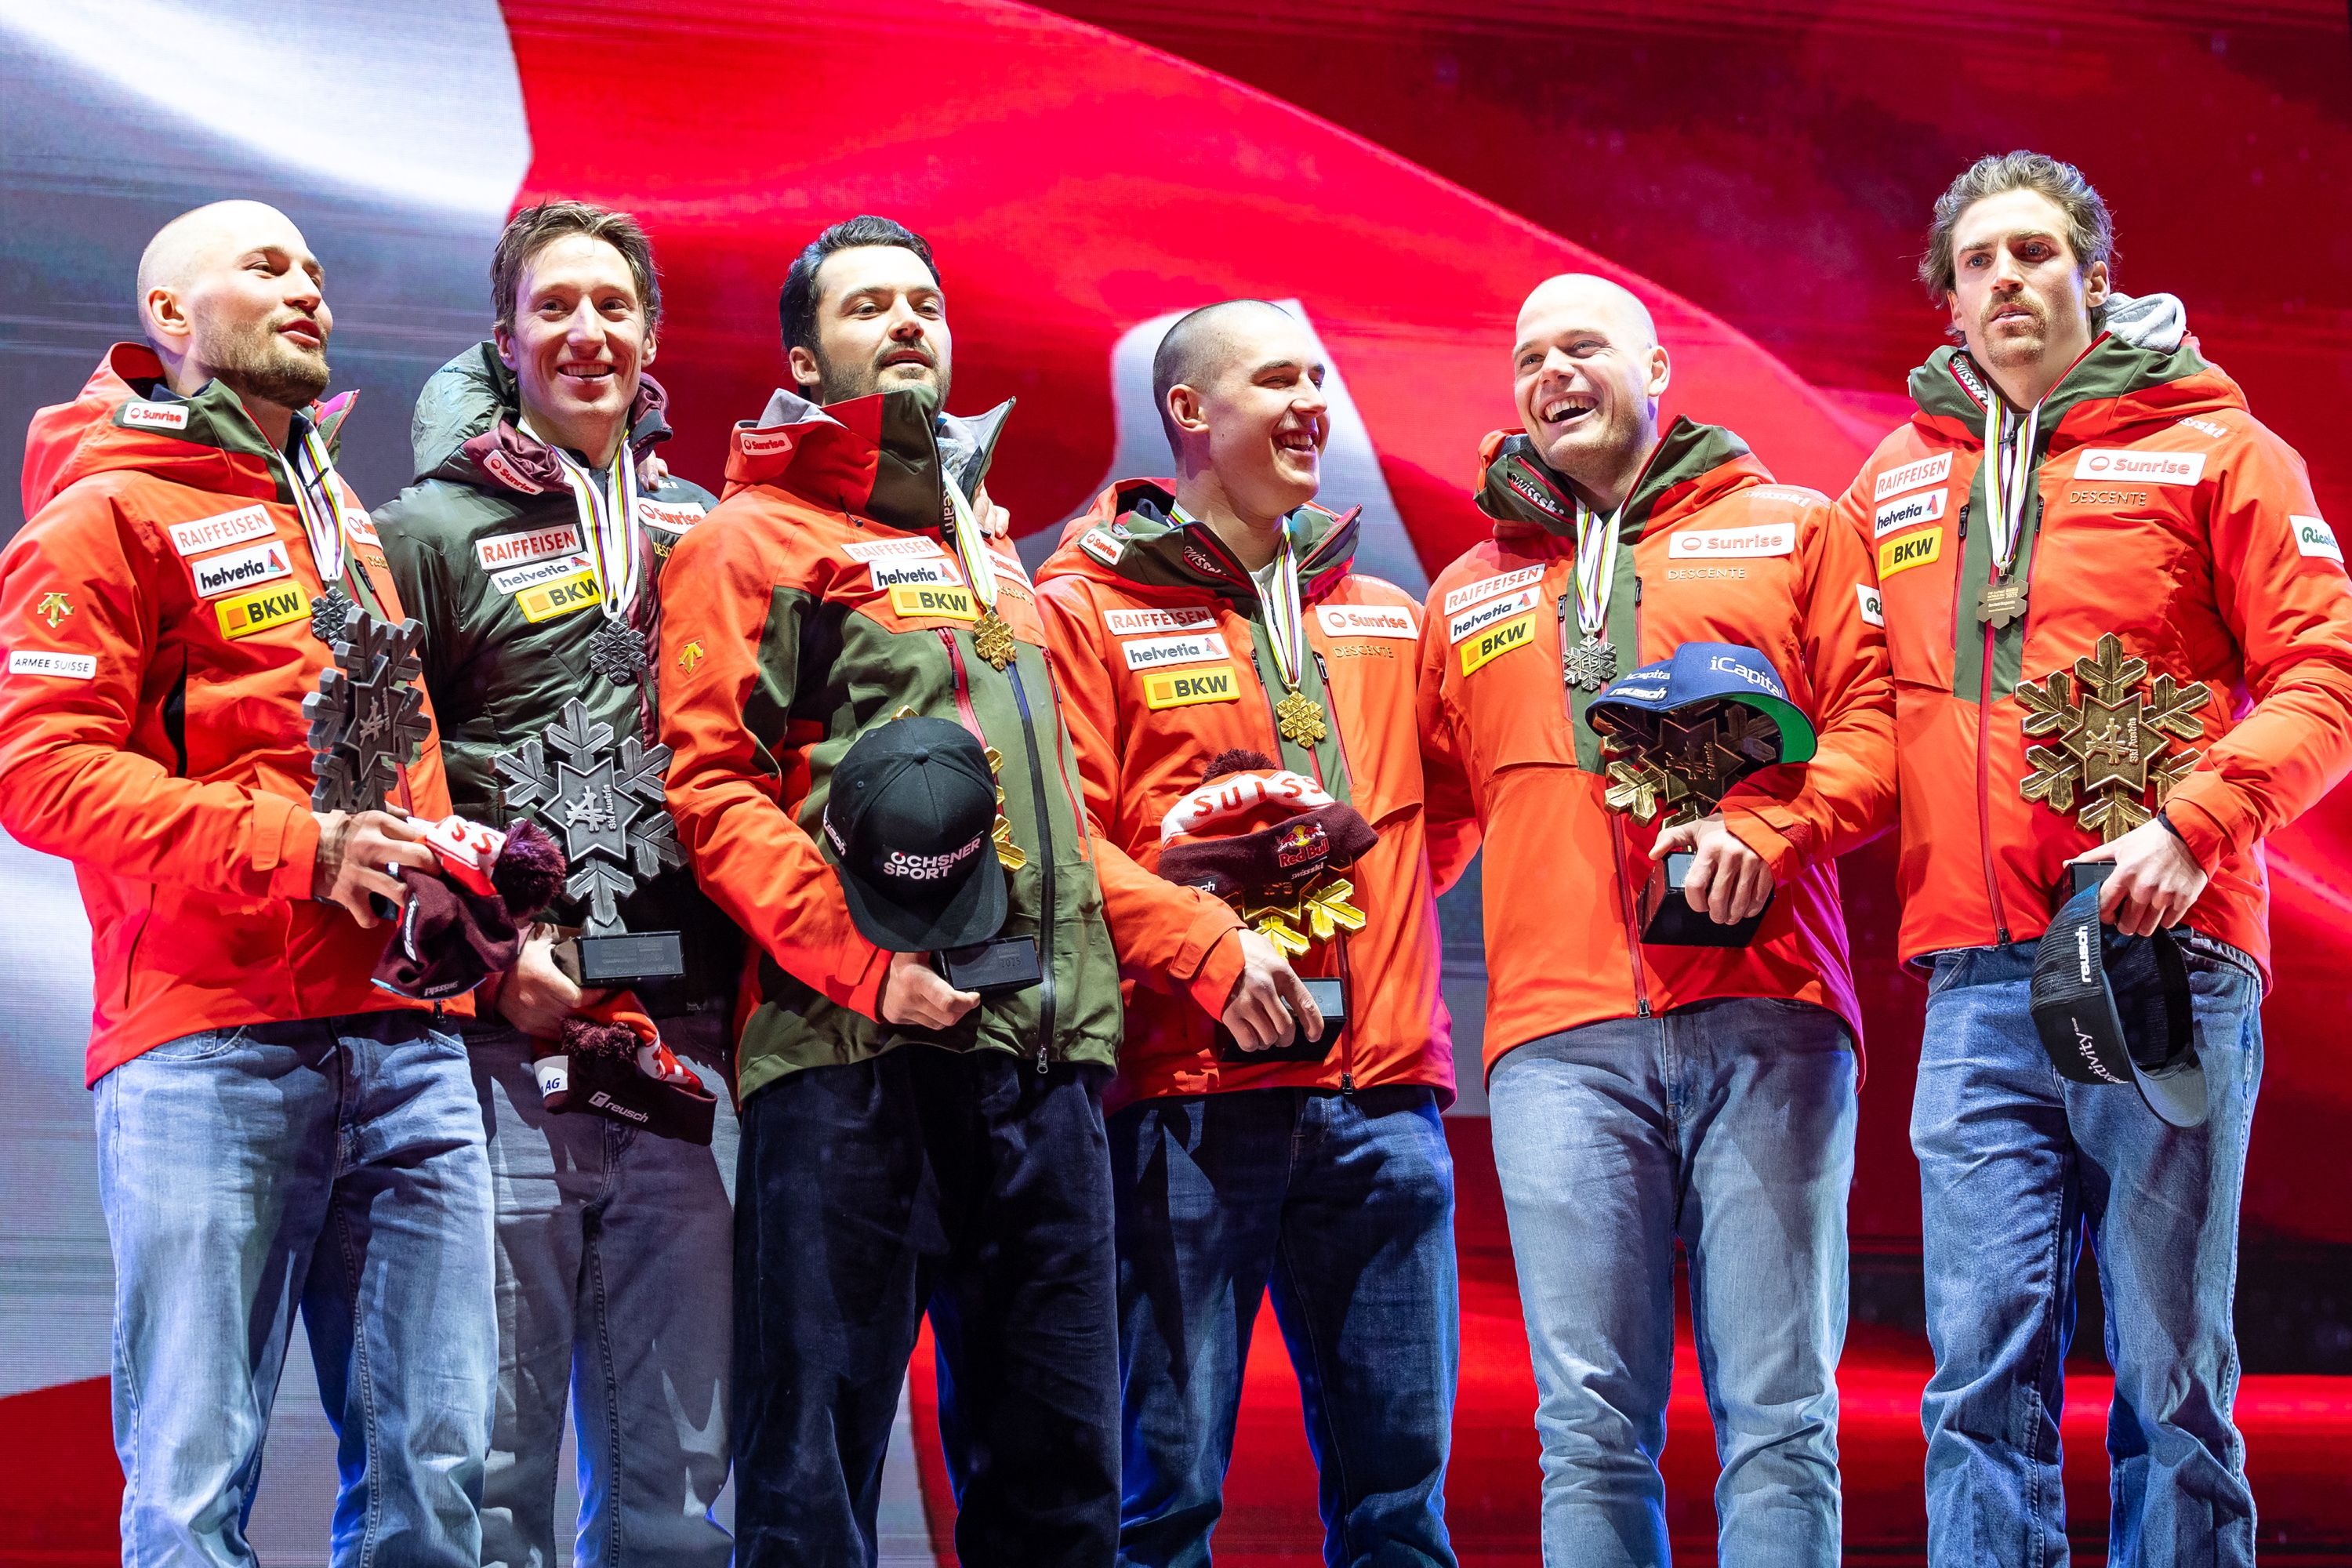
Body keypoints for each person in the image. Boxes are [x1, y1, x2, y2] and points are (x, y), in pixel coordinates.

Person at [1839, 151, 2352, 1568]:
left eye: (2040, 253)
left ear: (2093, 279)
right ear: (1947, 300)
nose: (2011, 277)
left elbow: (2328, 672)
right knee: (1975, 1377)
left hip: (2160, 961)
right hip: (1971, 982)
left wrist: (2199, 824)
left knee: (2173, 1374)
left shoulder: (2216, 450)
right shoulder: (1891, 479)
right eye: (1982, 260)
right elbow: (1859, 716)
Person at [0, 201, 493, 1563]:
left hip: (411, 1041)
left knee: (437, 1481)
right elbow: (39, 776)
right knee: (192, 1478)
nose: (308, 291)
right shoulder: (103, 514)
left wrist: (483, 925)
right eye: (266, 268)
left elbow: (394, 762)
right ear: (171, 317)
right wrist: (303, 852)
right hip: (209, 1045)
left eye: (319, 272)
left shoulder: (338, 514)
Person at [656, 215, 1126, 1566]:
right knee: (811, 1485)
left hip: (1040, 1065)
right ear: (807, 358)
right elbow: (715, 793)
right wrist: (868, 967)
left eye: (924, 301)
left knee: (1061, 1493)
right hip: (850, 1056)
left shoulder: (997, 550)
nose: (910, 322)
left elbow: (1069, 827)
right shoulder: (752, 538)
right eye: (872, 308)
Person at [1416, 274, 1893, 1567]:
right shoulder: (1464, 591)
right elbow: (1427, 816)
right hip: (1555, 1039)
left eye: (1582, 346)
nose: (1552, 374)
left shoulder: (1796, 528)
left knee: (1782, 1417)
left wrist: (1769, 831)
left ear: (1660, 367)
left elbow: (1878, 732)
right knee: (1586, 1424)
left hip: (1769, 1015)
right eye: (1529, 358)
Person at [1035, 299, 1460, 1565]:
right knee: (1165, 1504)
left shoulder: (1383, 609)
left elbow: (1449, 810)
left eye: (1319, 378)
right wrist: (1212, 948)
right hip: (1191, 1101)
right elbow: (1064, 845)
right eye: (1278, 380)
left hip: (1385, 1100)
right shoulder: (1085, 608)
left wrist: (1372, 938)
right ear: (1189, 412)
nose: (1311, 403)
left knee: (1402, 1510)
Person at [373, 200, 738, 1567]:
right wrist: (485, 961)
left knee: (677, 1472)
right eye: (554, 306)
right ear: (506, 337)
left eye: (614, 307)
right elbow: (377, 781)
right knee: (498, 1458)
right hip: (505, 1043)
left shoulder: (709, 528)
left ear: (650, 338)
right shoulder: (426, 529)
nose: (588, 332)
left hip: (688, 1035)